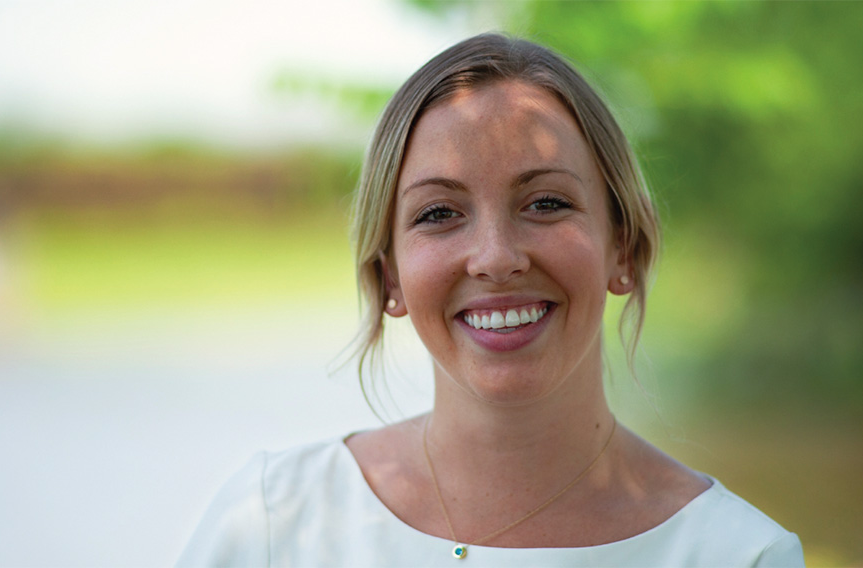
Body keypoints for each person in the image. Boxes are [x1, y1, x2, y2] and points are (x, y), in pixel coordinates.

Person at [177, 33, 804, 567]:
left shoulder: (736, 554)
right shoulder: (273, 521)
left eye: (547, 203)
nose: (497, 257)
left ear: (624, 249)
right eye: (440, 213)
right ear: (388, 275)